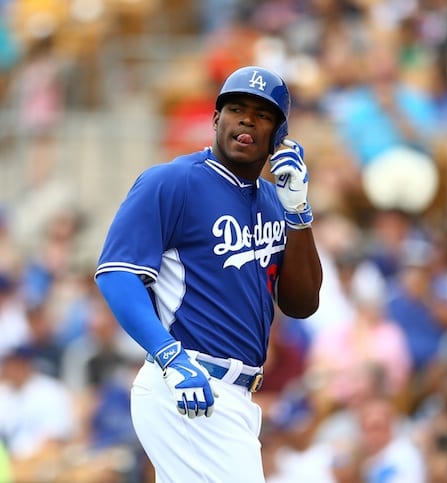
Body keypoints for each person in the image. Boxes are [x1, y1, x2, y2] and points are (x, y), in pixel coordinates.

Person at [94, 65, 323, 482]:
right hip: (188, 380)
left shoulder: (275, 200)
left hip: (237, 395)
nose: (247, 120)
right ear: (216, 119)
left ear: (279, 135)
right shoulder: (172, 181)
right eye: (236, 108)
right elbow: (116, 274)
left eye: (263, 114)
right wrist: (169, 356)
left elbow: (302, 303)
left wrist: (299, 214)